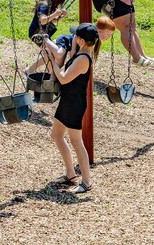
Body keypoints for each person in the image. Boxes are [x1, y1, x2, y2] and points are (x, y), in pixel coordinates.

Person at [45, 23, 100, 194]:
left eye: (76, 36)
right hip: (68, 101)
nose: (73, 38)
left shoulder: (83, 59)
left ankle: (86, 182)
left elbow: (63, 78)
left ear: (82, 40)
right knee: (56, 135)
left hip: (74, 104)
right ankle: (70, 174)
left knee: (77, 142)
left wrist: (53, 60)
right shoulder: (81, 53)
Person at [24, 16, 115, 76]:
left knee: (56, 67)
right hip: (66, 40)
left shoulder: (95, 40)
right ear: (99, 31)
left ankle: (29, 70)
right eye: (108, 34)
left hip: (67, 45)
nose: (109, 37)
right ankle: (45, 38)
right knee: (58, 54)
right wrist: (73, 51)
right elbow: (75, 36)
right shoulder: (89, 33)